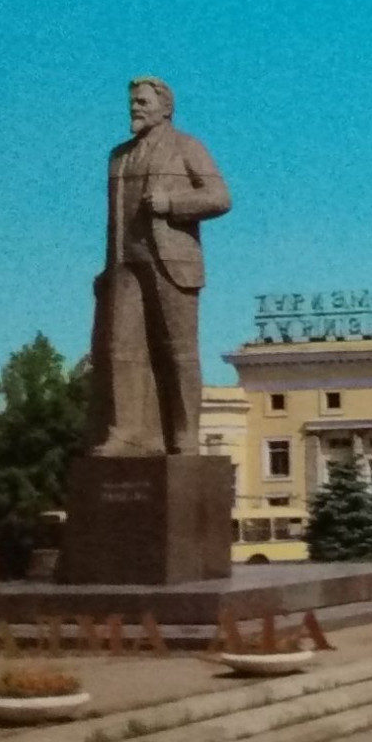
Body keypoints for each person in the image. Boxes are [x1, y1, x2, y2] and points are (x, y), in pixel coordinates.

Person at [88, 77, 232, 458]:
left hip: (173, 262)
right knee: (121, 349)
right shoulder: (118, 156)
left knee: (178, 351)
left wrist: (172, 202)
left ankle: (185, 437)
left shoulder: (187, 147)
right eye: (132, 102)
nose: (134, 107)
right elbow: (113, 218)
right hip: (124, 264)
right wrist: (107, 268)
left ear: (165, 107)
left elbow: (219, 197)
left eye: (142, 102)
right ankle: (127, 432)